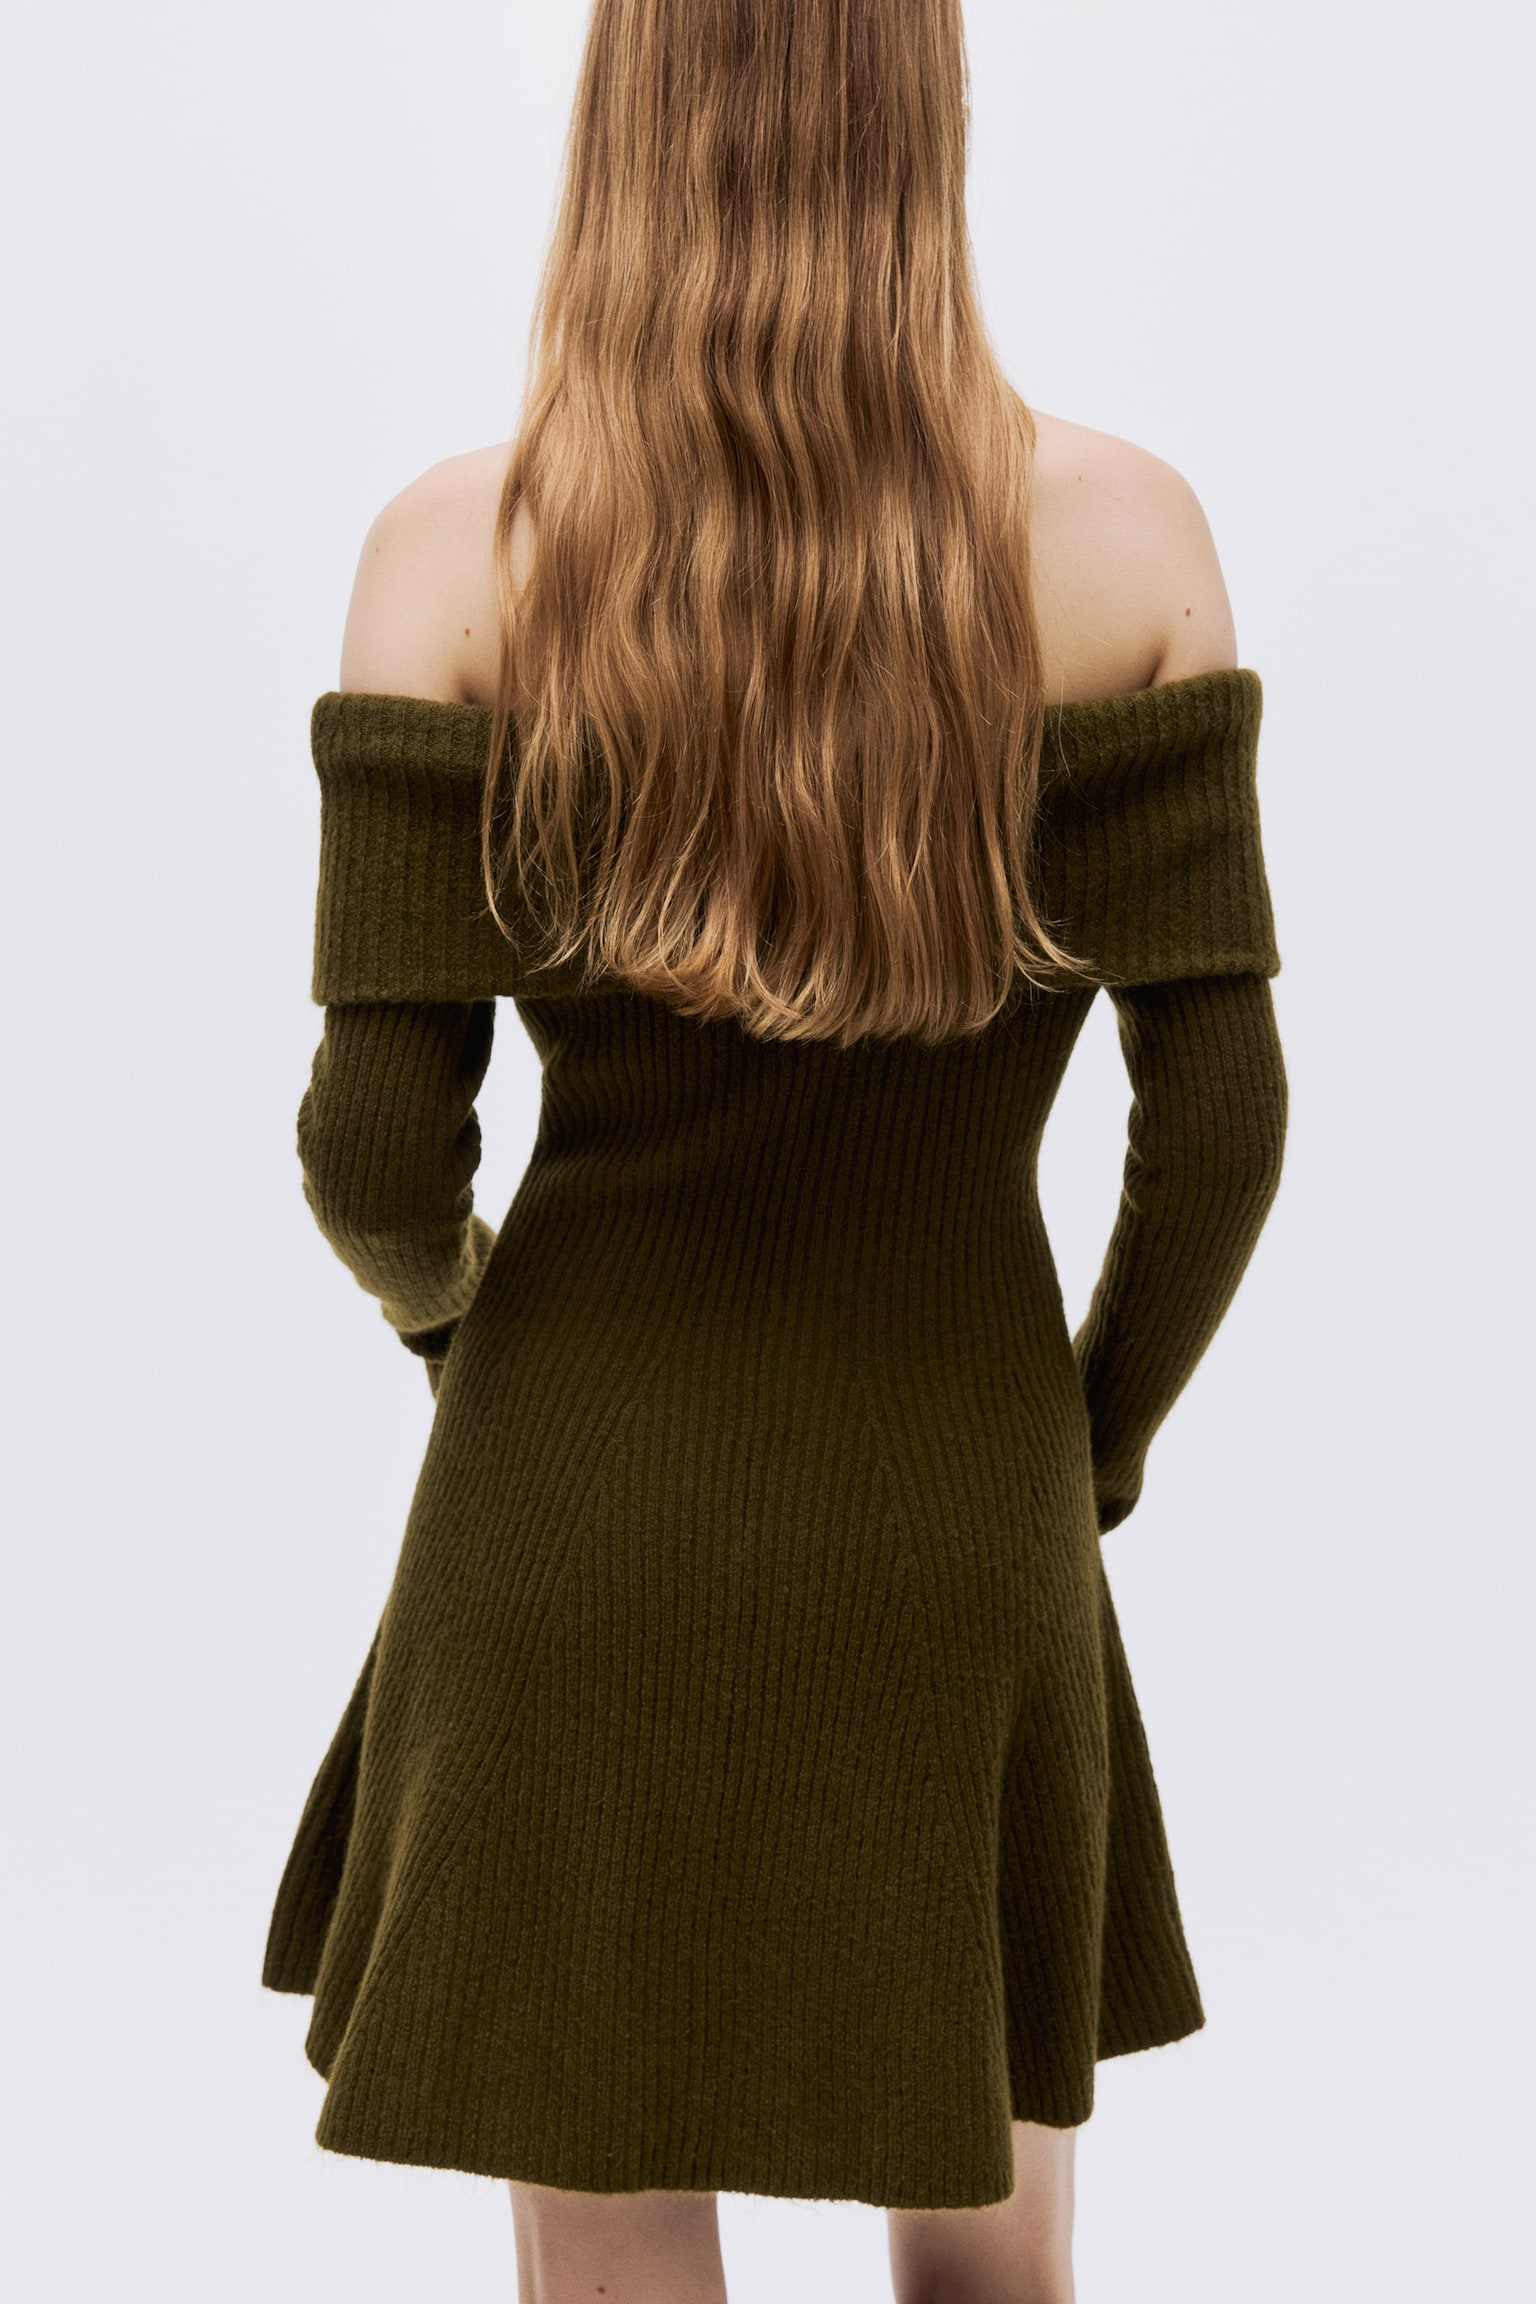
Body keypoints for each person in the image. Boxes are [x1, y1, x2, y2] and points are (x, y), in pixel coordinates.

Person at [262, 3, 1288, 2299]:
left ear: (619, 119)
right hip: (962, 1512)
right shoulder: (1128, 541)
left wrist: (466, 1338)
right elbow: (1219, 1131)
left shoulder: (459, 554)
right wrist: (1078, 1450)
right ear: (931, 115)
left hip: (569, 1524)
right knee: (991, 2274)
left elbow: (373, 1153)